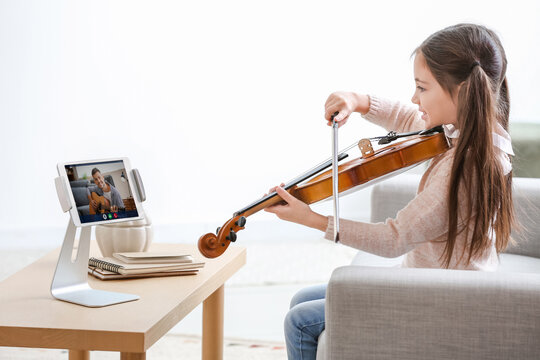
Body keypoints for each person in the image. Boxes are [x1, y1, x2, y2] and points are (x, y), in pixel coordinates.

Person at [264, 23, 516, 360]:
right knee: (303, 300)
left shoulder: (466, 167)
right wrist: (360, 101)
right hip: (430, 283)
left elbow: (393, 239)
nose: (415, 97)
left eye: (422, 88)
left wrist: (311, 219)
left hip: (444, 298)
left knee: (301, 321)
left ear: (463, 91)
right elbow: (408, 116)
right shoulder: (469, 131)